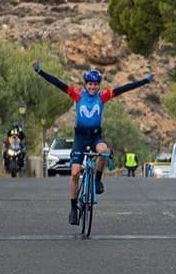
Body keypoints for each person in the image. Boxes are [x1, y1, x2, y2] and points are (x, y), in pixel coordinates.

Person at [33, 60, 153, 225]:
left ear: (98, 85)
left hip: (96, 136)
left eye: (95, 84)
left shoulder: (103, 96)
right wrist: (40, 71)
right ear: (86, 84)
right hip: (80, 138)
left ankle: (97, 179)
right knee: (75, 173)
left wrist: (145, 81)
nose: (93, 87)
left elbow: (124, 88)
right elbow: (58, 83)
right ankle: (74, 208)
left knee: (103, 151)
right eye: (90, 84)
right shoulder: (77, 95)